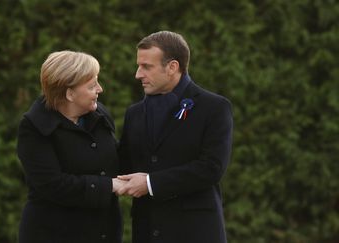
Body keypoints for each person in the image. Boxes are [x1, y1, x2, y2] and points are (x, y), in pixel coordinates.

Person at [117, 31, 233, 243]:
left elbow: (211, 168)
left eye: (146, 67)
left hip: (195, 233)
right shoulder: (134, 113)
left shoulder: (214, 107)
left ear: (172, 67)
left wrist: (151, 183)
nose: (137, 74)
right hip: (146, 232)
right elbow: (122, 164)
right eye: (138, 65)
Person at [17, 50, 124, 243]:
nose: (100, 89)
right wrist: (108, 185)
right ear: (69, 93)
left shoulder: (99, 115)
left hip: (104, 232)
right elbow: (52, 185)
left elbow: (114, 159)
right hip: (53, 234)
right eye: (92, 85)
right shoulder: (34, 128)